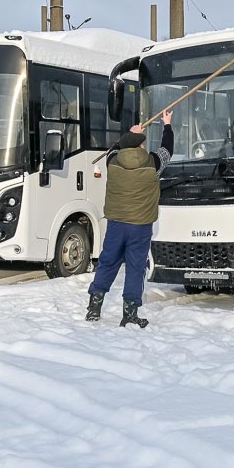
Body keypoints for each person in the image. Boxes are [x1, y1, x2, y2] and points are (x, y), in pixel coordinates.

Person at [86, 111, 174, 328]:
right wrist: (167, 125)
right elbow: (167, 150)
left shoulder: (113, 162)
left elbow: (115, 147)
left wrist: (132, 133)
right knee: (135, 267)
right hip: (140, 226)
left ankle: (94, 308)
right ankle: (130, 313)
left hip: (116, 224)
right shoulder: (152, 162)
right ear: (142, 146)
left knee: (107, 263)